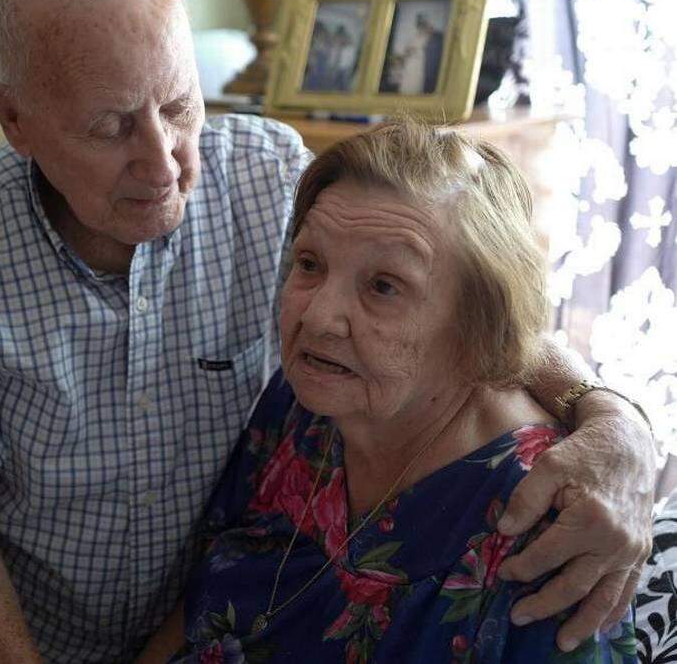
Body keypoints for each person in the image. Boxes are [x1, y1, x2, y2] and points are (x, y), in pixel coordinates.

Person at [0, 0, 655, 663]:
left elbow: (462, 300)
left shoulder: (266, 175)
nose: (163, 164)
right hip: (30, 638)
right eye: (109, 128)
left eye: (178, 106)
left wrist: (614, 418)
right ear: (14, 117)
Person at [164, 120, 636, 662]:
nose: (318, 318)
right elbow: (193, 614)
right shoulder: (306, 402)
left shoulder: (548, 520)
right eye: (310, 264)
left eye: (383, 287)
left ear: (479, 324)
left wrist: (620, 421)